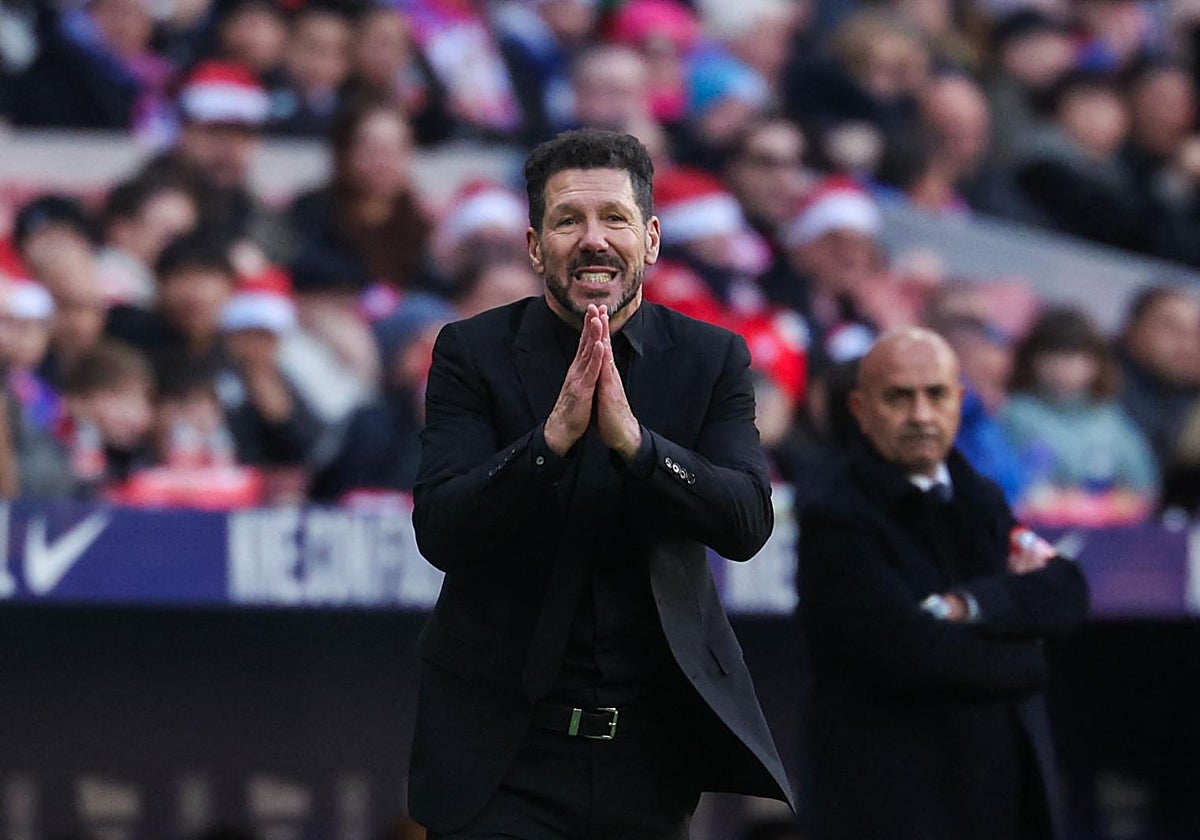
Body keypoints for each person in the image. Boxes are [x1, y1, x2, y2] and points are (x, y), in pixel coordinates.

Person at [408, 129, 792, 839]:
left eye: (614, 218)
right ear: (534, 247)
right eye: (568, 221)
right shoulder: (471, 353)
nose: (593, 240)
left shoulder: (710, 359)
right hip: (500, 759)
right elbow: (441, 528)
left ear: (650, 239)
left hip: (647, 760)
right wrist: (550, 442)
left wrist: (639, 448)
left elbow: (746, 522)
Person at [797, 327, 1089, 840]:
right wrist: (1028, 658)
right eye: (899, 397)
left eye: (936, 395)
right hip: (894, 805)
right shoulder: (834, 514)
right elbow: (911, 652)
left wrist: (967, 606)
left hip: (1003, 796)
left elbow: (1066, 590)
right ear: (861, 409)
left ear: (959, 400)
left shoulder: (981, 497)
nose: (921, 415)